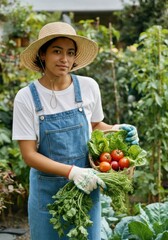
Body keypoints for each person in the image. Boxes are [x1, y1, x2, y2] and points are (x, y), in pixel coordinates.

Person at [12, 22, 139, 240]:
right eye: (57, 51)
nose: (65, 59)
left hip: (86, 188)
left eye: (70, 53)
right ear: (42, 54)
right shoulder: (26, 97)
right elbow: (29, 155)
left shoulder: (88, 86)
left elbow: (95, 125)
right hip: (47, 193)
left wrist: (117, 130)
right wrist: (72, 172)